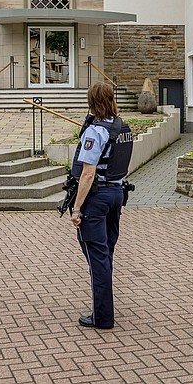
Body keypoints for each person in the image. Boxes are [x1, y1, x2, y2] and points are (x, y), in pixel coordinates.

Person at [69, 82, 133, 329]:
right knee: (105, 252)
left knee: (97, 256)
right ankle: (103, 306)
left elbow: (87, 173)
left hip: (97, 198)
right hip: (116, 193)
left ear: (91, 102)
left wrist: (76, 208)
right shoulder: (122, 127)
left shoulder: (96, 131)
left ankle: (102, 316)